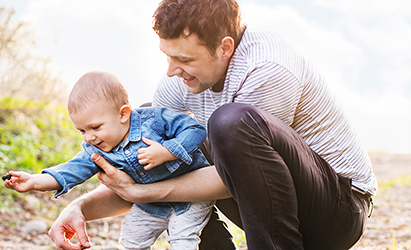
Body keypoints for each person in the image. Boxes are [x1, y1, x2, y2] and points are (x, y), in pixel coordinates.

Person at [47, 0, 378, 249]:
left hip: (337, 211)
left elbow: (238, 174)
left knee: (229, 124)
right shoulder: (179, 80)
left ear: (225, 48)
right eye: (168, 56)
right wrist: (79, 207)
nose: (172, 71)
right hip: (275, 199)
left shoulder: (268, 68)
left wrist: (145, 192)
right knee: (150, 127)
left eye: (185, 60)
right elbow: (142, 167)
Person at [3, 70, 215, 249]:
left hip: (191, 195)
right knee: (132, 237)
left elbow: (194, 130)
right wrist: (34, 181)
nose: (89, 137)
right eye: (82, 130)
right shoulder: (96, 149)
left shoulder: (154, 120)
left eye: (95, 127)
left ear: (123, 114)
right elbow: (72, 170)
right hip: (150, 203)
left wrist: (167, 151)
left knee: (182, 238)